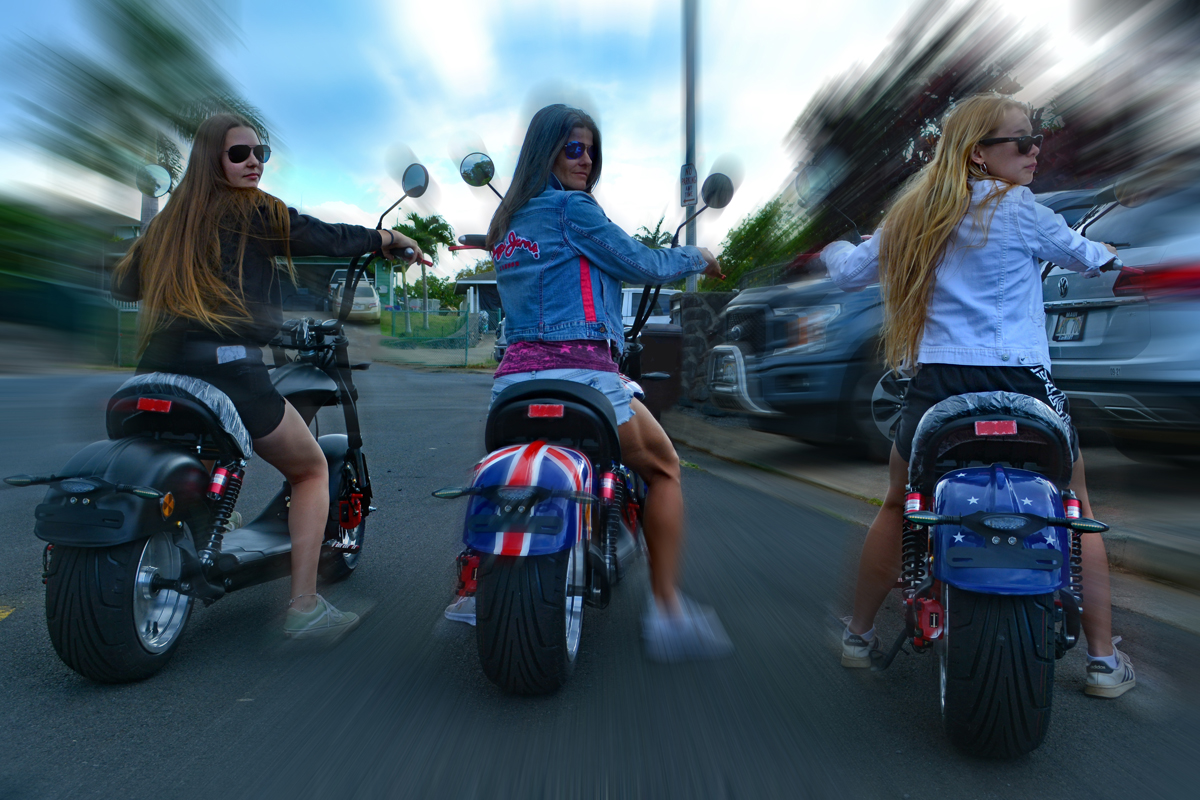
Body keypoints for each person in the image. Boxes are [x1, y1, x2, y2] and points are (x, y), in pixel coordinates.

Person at [824, 94, 1135, 698]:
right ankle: (1102, 663)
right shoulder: (1023, 210)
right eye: (1020, 140)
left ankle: (857, 637)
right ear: (979, 154)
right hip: (1022, 387)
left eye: (1034, 138)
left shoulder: (913, 215)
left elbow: (847, 273)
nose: (1034, 149)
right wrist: (1113, 251)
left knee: (896, 504)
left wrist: (842, 244)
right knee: (1077, 510)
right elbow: (1090, 257)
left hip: (938, 388)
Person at [113, 113, 423, 639]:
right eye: (239, 154)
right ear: (213, 160)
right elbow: (323, 237)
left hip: (157, 367)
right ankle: (304, 606)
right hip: (226, 367)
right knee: (310, 470)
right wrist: (388, 236)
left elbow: (126, 285)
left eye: (260, 153)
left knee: (202, 447)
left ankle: (207, 529)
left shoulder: (170, 223)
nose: (253, 161)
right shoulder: (253, 210)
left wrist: (163, 250)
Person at [445, 103, 732, 662]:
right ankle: (668, 612)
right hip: (584, 377)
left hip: (512, 386)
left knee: (504, 478)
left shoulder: (507, 224)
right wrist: (699, 254)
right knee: (664, 467)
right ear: (546, 151)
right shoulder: (572, 209)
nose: (586, 159)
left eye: (592, 150)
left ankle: (473, 580)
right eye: (574, 148)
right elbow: (641, 262)